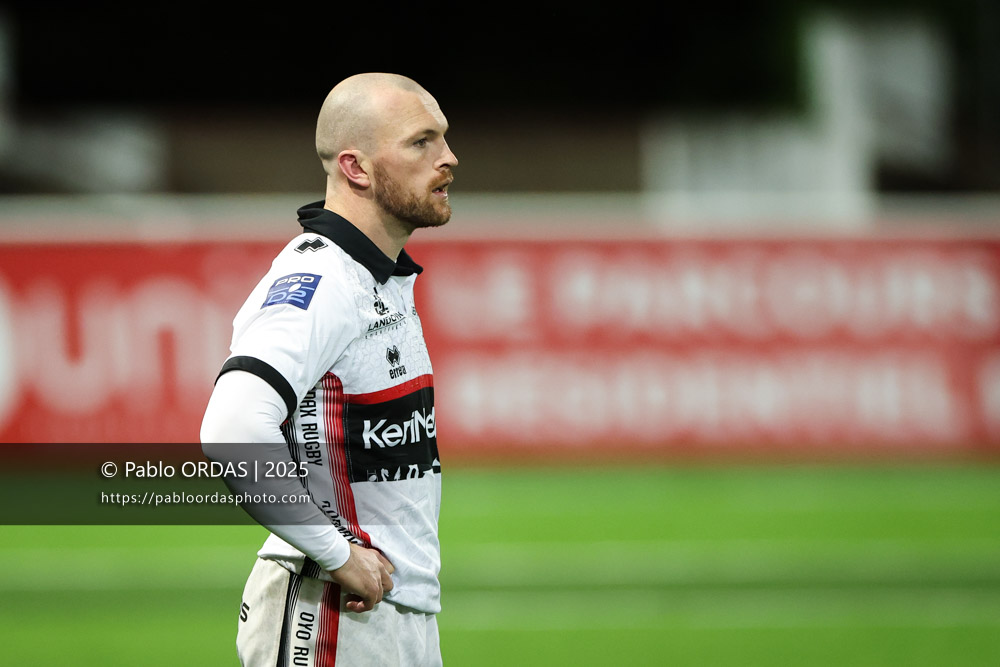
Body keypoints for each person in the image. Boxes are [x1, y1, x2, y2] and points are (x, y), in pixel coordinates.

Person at [200, 72, 457, 666]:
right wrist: (337, 554)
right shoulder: (323, 283)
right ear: (357, 169)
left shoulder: (376, 276)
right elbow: (234, 429)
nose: (448, 158)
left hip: (390, 612)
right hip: (331, 616)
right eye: (422, 142)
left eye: (443, 138)